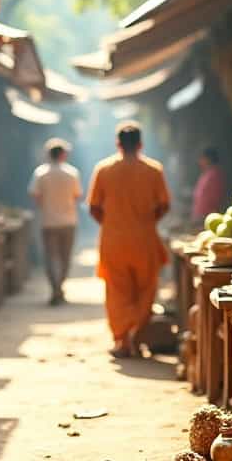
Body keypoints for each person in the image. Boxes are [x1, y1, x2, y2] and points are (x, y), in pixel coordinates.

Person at [88, 122, 171, 358]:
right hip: (144, 240)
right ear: (141, 144)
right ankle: (137, 333)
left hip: (114, 241)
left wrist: (112, 223)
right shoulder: (154, 170)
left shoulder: (103, 169)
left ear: (118, 144)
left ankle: (122, 340)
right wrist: (146, 221)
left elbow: (94, 207)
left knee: (117, 291)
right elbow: (164, 205)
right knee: (146, 289)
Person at [29, 138, 83, 305]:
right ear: (63, 155)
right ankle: (59, 287)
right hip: (69, 221)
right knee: (65, 257)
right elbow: (77, 196)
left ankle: (55, 289)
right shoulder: (72, 173)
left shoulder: (40, 173)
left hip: (48, 221)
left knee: (51, 257)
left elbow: (35, 195)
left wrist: (46, 206)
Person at [190, 147, 225, 222]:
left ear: (209, 159)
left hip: (208, 218)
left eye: (202, 158)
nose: (199, 161)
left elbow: (216, 198)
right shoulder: (205, 174)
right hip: (199, 217)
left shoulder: (215, 174)